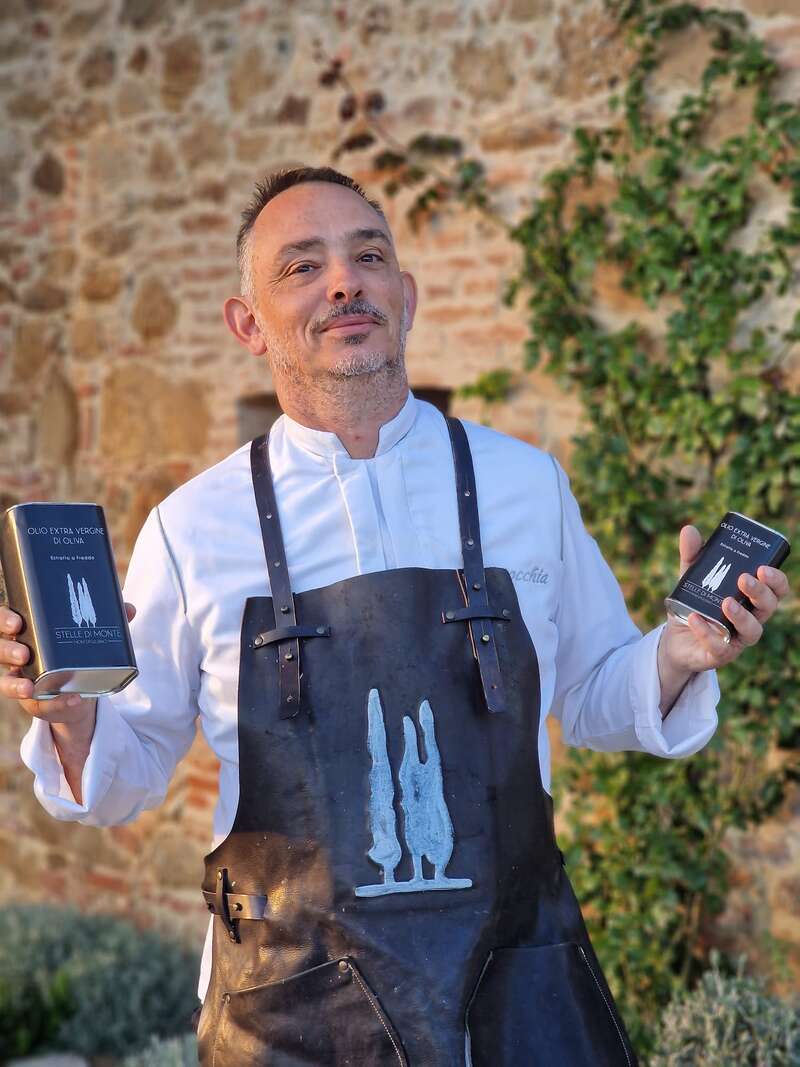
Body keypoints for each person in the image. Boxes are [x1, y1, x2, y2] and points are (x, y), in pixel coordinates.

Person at [1, 166, 790, 1066]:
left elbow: (597, 693)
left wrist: (681, 652)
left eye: (367, 255)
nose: (345, 281)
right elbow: (127, 770)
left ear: (404, 296)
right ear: (247, 323)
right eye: (302, 267)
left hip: (521, 994)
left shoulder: (526, 484)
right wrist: (70, 714)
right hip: (284, 1013)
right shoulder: (191, 528)